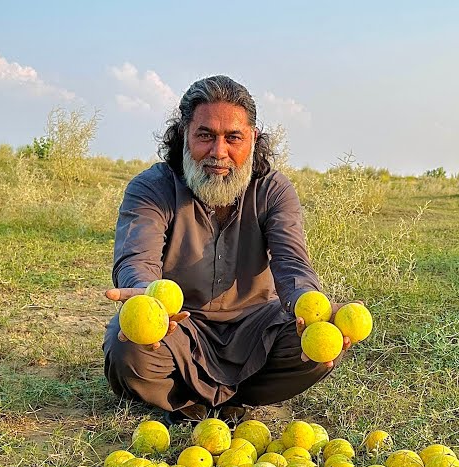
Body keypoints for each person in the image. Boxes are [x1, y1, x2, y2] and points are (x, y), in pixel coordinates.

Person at [103, 75, 348, 424]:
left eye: (233, 138)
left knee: (320, 347)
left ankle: (232, 397)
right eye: (205, 136)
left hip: (255, 328)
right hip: (179, 327)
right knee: (127, 346)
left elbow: (292, 265)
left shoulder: (273, 190)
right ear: (183, 135)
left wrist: (310, 307)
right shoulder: (151, 188)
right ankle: (188, 401)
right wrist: (147, 301)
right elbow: (136, 259)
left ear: (253, 140)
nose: (219, 153)